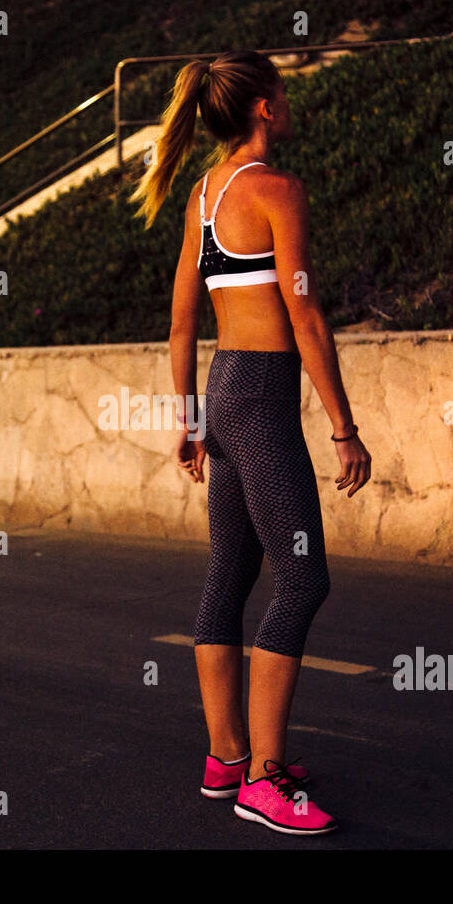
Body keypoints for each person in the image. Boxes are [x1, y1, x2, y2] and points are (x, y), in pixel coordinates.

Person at [129, 50, 371, 836]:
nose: (290, 101)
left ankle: (225, 756)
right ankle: (263, 780)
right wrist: (344, 427)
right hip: (261, 397)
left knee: (230, 575)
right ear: (263, 106)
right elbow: (304, 316)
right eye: (284, 92)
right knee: (302, 579)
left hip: (224, 395)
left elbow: (180, 321)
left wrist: (192, 420)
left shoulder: (204, 197)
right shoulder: (277, 191)